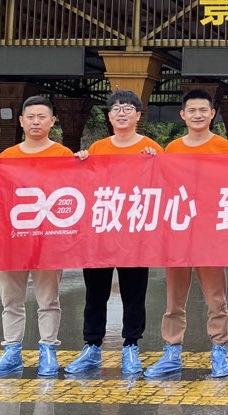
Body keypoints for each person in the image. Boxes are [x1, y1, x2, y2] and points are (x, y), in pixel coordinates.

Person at [64, 90, 162, 378]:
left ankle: (131, 346)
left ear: (138, 115)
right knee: (95, 293)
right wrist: (81, 161)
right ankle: (92, 347)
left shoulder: (152, 148)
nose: (122, 113)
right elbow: (82, 184)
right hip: (100, 233)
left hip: (134, 233)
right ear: (109, 116)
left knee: (134, 293)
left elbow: (164, 186)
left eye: (128, 108)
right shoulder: (97, 148)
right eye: (116, 109)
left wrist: (156, 163)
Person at [0, 95, 72, 378]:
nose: (35, 122)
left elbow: (75, 191)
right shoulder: (8, 157)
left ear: (52, 121)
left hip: (48, 239)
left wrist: (82, 163)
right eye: (30, 117)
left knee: (49, 299)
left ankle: (48, 349)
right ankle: (12, 351)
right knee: (11, 300)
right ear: (21, 121)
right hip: (13, 239)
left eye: (41, 117)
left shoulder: (63, 155)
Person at [145, 88, 228, 380]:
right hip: (179, 232)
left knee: (216, 298)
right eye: (192, 111)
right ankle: (172, 350)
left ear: (212, 114)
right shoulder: (171, 149)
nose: (198, 115)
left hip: (210, 233)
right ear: (183, 115)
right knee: (174, 298)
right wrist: (148, 160)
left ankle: (219, 349)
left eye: (203, 110)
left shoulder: (225, 148)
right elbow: (160, 186)